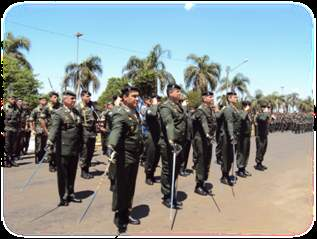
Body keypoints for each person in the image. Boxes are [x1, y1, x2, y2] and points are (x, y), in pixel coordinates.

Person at [106, 86, 143, 233]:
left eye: (137, 96)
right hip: (124, 155)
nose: (137, 99)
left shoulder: (134, 112)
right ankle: (120, 217)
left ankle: (127, 211)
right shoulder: (119, 113)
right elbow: (116, 130)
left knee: (130, 186)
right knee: (121, 188)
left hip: (134, 154)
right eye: (134, 96)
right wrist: (111, 145)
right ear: (125, 98)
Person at [46, 90, 83, 206]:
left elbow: (79, 129)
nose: (74, 101)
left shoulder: (76, 112)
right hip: (63, 148)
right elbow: (54, 129)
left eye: (75, 99)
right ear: (65, 100)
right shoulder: (58, 113)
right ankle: (63, 197)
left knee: (72, 173)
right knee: (63, 175)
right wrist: (50, 141)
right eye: (72, 99)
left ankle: (71, 194)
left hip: (74, 148)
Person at [159, 83, 187, 209]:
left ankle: (172, 193)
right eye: (177, 91)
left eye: (179, 91)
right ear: (170, 93)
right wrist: (172, 141)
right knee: (168, 169)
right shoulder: (165, 107)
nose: (179, 93)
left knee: (175, 169)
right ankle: (167, 196)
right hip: (169, 143)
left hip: (179, 143)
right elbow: (169, 124)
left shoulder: (177, 105)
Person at [192, 91, 217, 195]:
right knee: (201, 162)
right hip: (201, 139)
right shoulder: (201, 110)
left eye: (212, 97)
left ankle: (203, 182)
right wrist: (207, 134)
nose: (212, 98)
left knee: (207, 161)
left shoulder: (210, 109)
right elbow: (204, 123)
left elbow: (213, 123)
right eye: (210, 97)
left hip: (208, 139)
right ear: (204, 98)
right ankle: (198, 185)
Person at [220, 91, 240, 186]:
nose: (236, 98)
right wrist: (231, 136)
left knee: (231, 157)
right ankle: (224, 176)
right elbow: (229, 123)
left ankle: (227, 173)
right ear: (229, 98)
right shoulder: (228, 109)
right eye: (234, 97)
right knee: (226, 157)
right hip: (227, 137)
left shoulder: (234, 109)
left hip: (233, 135)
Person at [76, 90, 97, 179]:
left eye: (89, 96)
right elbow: (76, 121)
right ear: (82, 97)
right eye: (87, 96)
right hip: (84, 131)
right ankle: (83, 171)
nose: (89, 98)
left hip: (92, 131)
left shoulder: (91, 106)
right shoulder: (78, 107)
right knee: (84, 152)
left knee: (90, 152)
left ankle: (87, 169)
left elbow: (96, 115)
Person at [40, 91, 61, 172]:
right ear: (50, 98)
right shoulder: (47, 107)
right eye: (54, 97)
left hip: (59, 131)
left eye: (57, 97)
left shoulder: (60, 106)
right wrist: (46, 131)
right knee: (51, 149)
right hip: (50, 131)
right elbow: (42, 119)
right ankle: (51, 164)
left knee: (59, 148)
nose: (56, 99)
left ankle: (57, 164)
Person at [144, 95, 162, 185]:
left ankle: (152, 175)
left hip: (159, 137)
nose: (158, 102)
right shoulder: (149, 110)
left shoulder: (159, 111)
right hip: (151, 137)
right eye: (156, 100)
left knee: (156, 158)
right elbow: (153, 114)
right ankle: (148, 176)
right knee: (150, 158)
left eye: (159, 101)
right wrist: (154, 104)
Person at [236, 100, 252, 177]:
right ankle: (240, 169)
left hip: (247, 136)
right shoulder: (241, 112)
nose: (249, 107)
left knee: (246, 153)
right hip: (241, 136)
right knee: (241, 153)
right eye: (248, 106)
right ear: (244, 106)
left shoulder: (248, 114)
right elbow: (242, 118)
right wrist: (245, 111)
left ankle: (243, 168)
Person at [30, 95, 48, 164]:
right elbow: (31, 119)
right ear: (40, 101)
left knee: (44, 145)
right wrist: (32, 129)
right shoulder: (36, 110)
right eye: (43, 100)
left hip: (45, 129)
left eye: (45, 100)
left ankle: (42, 158)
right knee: (38, 145)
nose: (44, 101)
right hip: (38, 129)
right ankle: (37, 158)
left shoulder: (47, 109)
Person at [4, 95, 21, 167]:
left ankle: (12, 160)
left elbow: (19, 119)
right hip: (7, 129)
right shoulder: (4, 107)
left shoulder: (17, 108)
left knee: (13, 146)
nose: (13, 100)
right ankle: (6, 161)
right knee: (7, 146)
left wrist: (19, 129)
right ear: (8, 99)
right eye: (11, 99)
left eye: (14, 99)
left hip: (14, 129)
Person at [254, 102, 271, 171]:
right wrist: (266, 113)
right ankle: (258, 164)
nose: (268, 109)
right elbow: (263, 119)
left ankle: (260, 163)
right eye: (266, 108)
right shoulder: (260, 115)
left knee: (263, 150)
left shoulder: (265, 115)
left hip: (264, 135)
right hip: (260, 136)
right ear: (262, 108)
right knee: (260, 150)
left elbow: (267, 122)